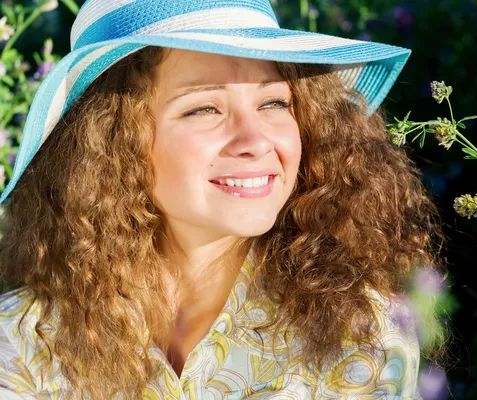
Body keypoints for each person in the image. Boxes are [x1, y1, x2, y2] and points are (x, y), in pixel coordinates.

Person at [0, 0, 443, 398]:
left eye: (273, 103)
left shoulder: (361, 334)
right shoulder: (22, 339)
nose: (255, 141)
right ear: (111, 143)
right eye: (203, 108)